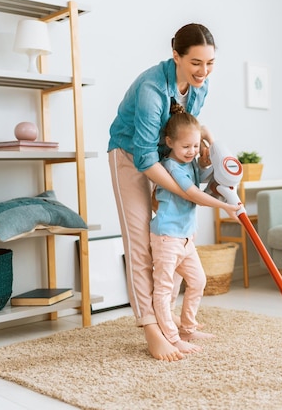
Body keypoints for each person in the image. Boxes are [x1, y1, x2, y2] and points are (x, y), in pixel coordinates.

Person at [108, 23, 238, 362]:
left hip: (163, 156)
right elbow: (145, 159)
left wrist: (206, 145)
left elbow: (189, 124)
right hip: (131, 155)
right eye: (196, 63)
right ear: (176, 55)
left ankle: (178, 326)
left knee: (169, 243)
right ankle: (152, 330)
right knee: (141, 245)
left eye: (210, 63)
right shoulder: (153, 88)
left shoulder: (199, 86)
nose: (203, 71)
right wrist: (187, 190)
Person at [150, 105, 230, 354]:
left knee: (198, 281)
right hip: (167, 237)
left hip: (185, 238)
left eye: (195, 146)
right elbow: (193, 194)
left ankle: (188, 327)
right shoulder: (171, 167)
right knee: (164, 289)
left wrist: (207, 149)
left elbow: (213, 173)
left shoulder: (191, 163)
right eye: (186, 147)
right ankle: (172, 338)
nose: (191, 151)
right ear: (170, 142)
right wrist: (225, 208)